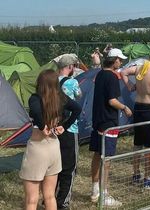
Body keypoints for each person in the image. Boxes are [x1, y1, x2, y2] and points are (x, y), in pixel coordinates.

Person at [20, 69, 80, 210]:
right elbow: (77, 108)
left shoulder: (35, 98)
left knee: (31, 199)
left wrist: (42, 126)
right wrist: (65, 126)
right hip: (54, 147)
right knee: (50, 196)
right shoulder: (61, 98)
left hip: (38, 148)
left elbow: (35, 110)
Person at [89, 48, 132, 207]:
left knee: (97, 154)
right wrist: (124, 108)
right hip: (108, 121)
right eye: (120, 60)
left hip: (98, 120)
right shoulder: (112, 77)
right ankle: (104, 194)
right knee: (107, 159)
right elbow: (112, 100)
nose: (121, 62)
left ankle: (95, 190)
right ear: (114, 61)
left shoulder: (99, 74)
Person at [121, 52, 150, 189]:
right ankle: (147, 179)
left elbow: (123, 71)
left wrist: (129, 85)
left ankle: (136, 175)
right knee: (148, 146)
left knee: (137, 144)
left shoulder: (141, 67)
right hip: (148, 110)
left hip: (138, 107)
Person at [56, 55, 83, 209]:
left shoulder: (52, 82)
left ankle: (49, 198)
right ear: (70, 67)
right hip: (69, 128)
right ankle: (63, 202)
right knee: (69, 167)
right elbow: (79, 96)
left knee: (55, 166)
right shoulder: (73, 82)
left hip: (55, 127)